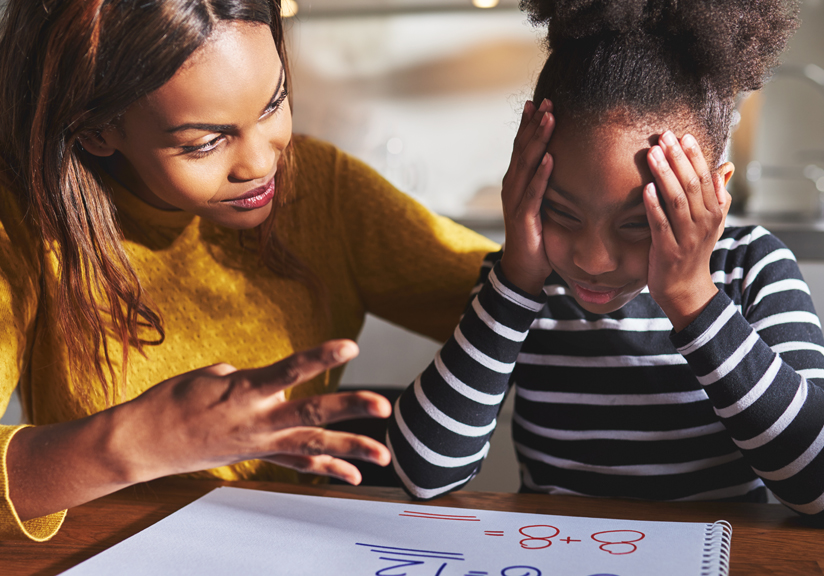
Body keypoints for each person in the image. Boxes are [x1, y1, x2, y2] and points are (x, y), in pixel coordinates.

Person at [0, 0, 498, 541]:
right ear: (97, 132)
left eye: (273, 103)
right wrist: (137, 444)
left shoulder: (320, 188)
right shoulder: (21, 227)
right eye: (205, 141)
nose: (261, 163)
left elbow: (544, 312)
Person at [388, 0, 824, 519]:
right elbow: (421, 472)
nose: (593, 259)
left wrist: (691, 298)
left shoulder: (751, 268)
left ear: (715, 193)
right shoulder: (520, 283)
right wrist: (515, 283)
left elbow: (815, 484)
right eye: (562, 213)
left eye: (639, 223)